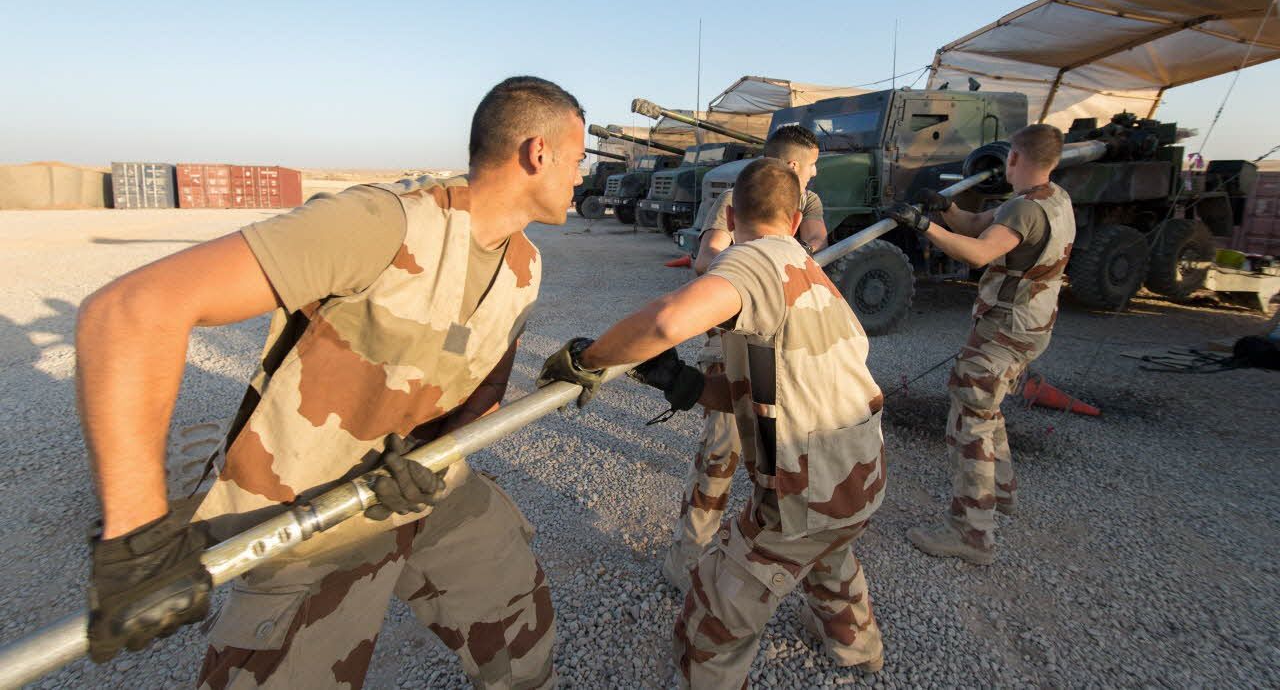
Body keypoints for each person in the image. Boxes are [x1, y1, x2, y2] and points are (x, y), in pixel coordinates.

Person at [75, 76, 586, 688]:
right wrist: (136, 542)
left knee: (523, 639)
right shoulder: (382, 224)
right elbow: (132, 310)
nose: (582, 177)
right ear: (538, 153)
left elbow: (483, 387)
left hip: (426, 492)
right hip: (315, 515)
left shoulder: (525, 265)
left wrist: (434, 455)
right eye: (578, 160)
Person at [539, 157, 887, 688]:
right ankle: (858, 649)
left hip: (807, 490)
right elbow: (770, 388)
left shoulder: (755, 260)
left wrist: (590, 359)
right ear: (796, 220)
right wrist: (685, 385)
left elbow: (665, 319)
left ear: (730, 211)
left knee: (711, 621)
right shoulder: (804, 267)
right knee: (830, 554)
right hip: (858, 476)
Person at [882, 124, 1075, 565]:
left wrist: (924, 225)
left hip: (1006, 331)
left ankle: (972, 532)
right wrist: (947, 209)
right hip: (1030, 326)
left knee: (969, 418)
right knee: (987, 407)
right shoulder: (1051, 199)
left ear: (1012, 159)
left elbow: (979, 253)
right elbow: (977, 225)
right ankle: (1001, 491)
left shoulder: (1026, 211)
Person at [665, 124, 826, 591]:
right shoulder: (741, 194)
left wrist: (795, 257)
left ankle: (767, 548)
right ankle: (688, 557)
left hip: (787, 338)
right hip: (736, 333)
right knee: (722, 449)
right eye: (812, 165)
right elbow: (706, 256)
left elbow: (815, 239)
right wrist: (754, 275)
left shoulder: (806, 200)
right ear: (794, 164)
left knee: (783, 453)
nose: (816, 174)